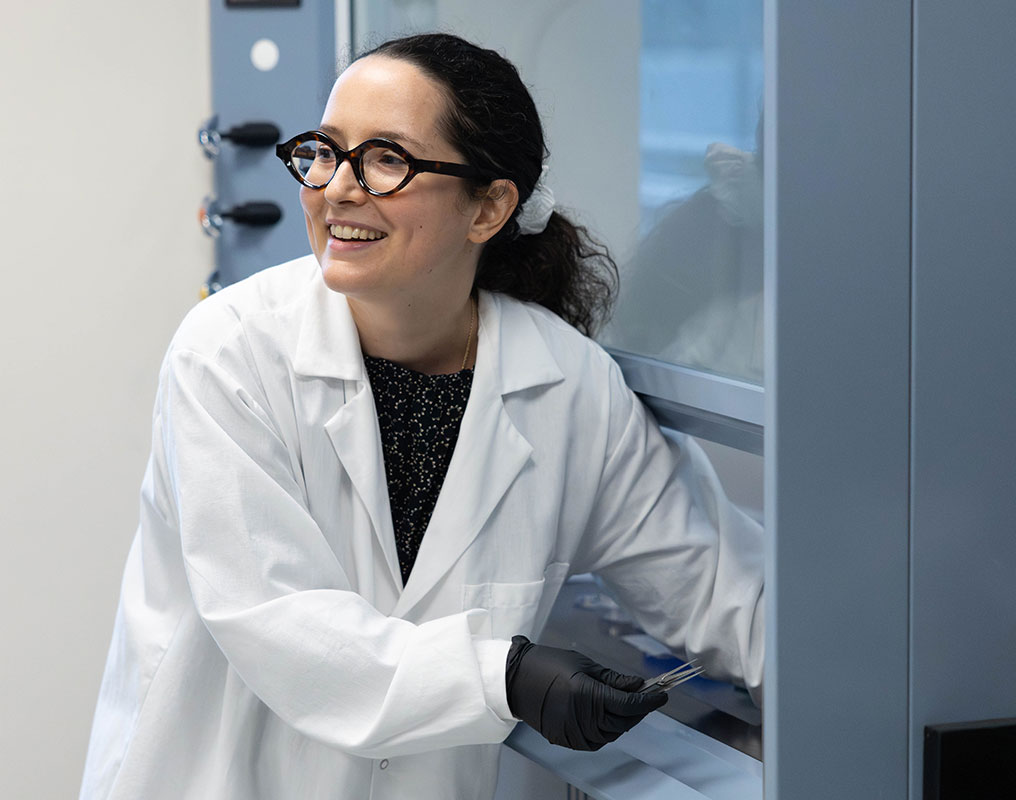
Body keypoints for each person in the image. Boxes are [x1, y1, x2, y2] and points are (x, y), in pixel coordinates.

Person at [80, 33, 763, 800]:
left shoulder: (569, 388)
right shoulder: (229, 355)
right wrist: (505, 676)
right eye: (325, 151)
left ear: (489, 207)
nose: (337, 188)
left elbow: (718, 587)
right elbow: (281, 625)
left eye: (385, 160)